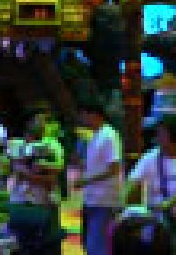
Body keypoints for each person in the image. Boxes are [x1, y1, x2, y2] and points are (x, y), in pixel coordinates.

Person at [123, 118, 176, 255]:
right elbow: (133, 180)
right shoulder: (150, 157)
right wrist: (122, 203)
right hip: (154, 221)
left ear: (174, 136)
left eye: (162, 133)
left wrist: (167, 204)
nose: (157, 137)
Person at [8, 113, 64, 254]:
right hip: (20, 201)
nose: (39, 124)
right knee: (21, 244)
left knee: (48, 245)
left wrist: (27, 174)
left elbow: (54, 175)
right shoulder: (16, 144)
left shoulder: (52, 145)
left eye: (43, 121)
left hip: (44, 203)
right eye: (35, 121)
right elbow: (10, 168)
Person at [74, 102, 123, 255]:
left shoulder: (109, 135)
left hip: (104, 200)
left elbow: (114, 168)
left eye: (84, 115)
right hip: (91, 198)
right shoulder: (94, 136)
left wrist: (86, 181)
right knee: (89, 244)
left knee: (97, 245)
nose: (82, 119)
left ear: (95, 115)